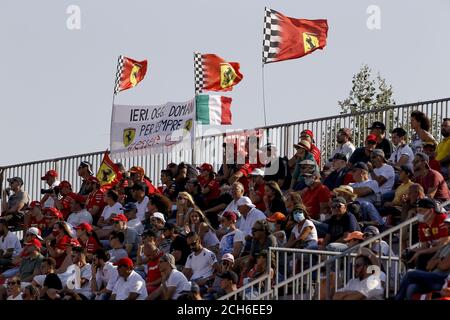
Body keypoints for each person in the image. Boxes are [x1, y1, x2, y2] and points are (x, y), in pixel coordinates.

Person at [407, 198, 449, 270]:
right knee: (409, 254)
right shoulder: (422, 224)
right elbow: (424, 246)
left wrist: (421, 252)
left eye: (421, 210)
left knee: (422, 256)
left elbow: (443, 246)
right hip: (434, 251)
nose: (418, 214)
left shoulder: (442, 219)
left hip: (445, 253)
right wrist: (412, 250)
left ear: (430, 211)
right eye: (417, 211)